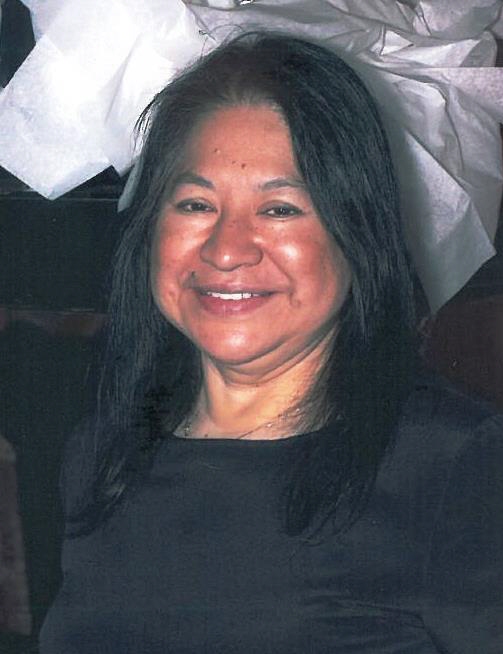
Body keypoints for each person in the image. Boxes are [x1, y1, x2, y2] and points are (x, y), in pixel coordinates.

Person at [40, 32, 503, 653]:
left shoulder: (460, 466)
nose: (227, 249)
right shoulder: (100, 457)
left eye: (280, 209)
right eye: (196, 204)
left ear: (357, 234)